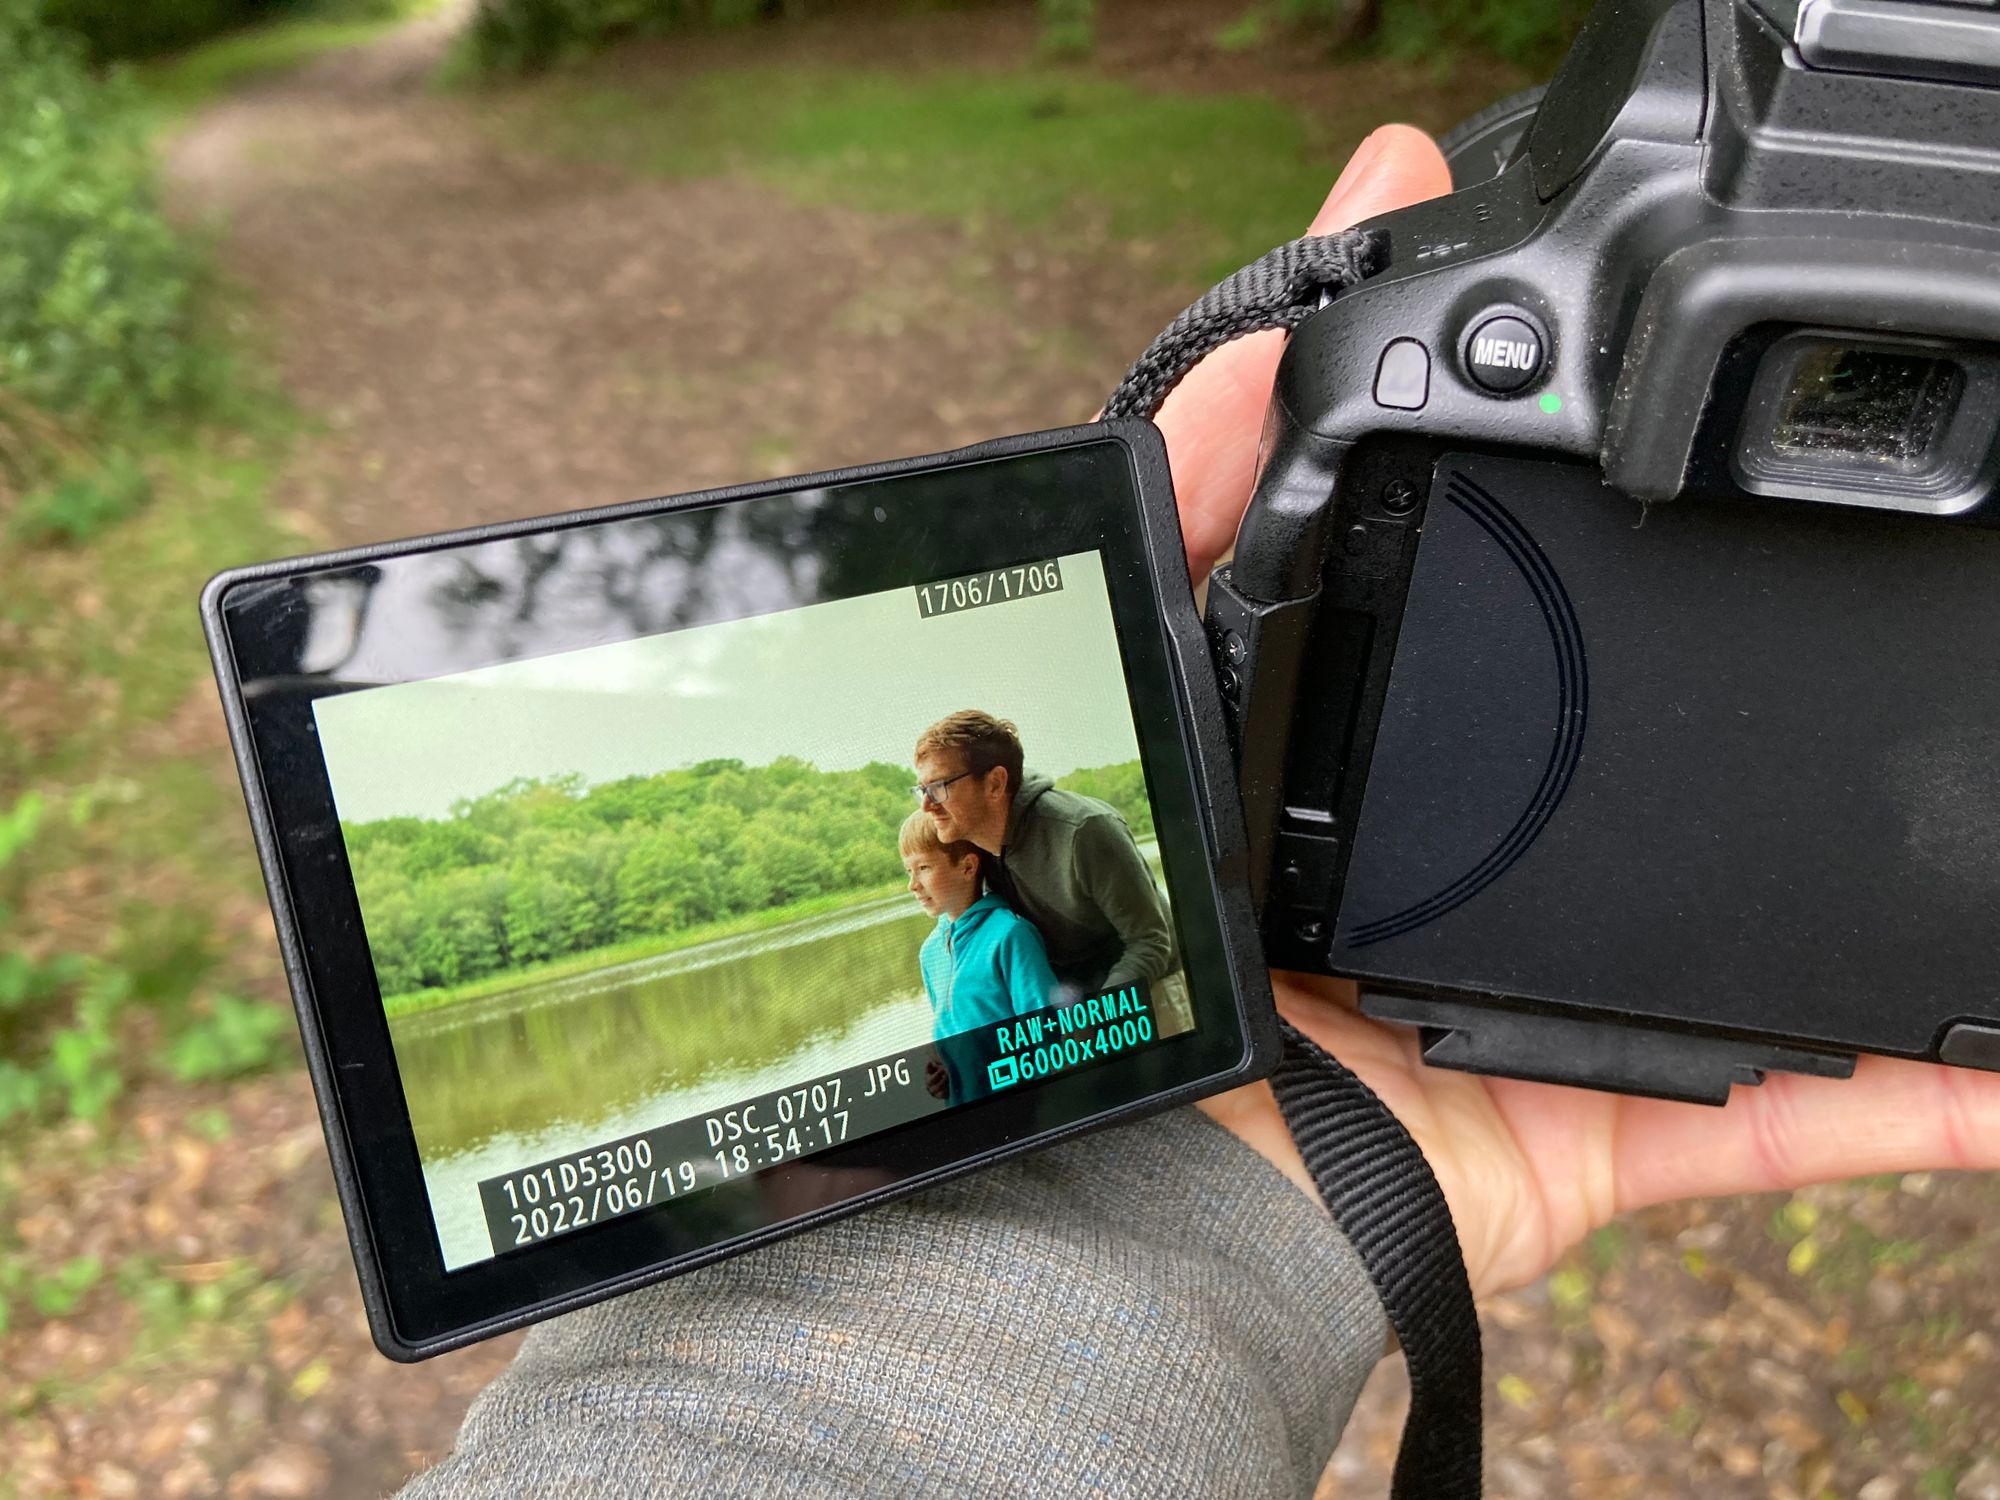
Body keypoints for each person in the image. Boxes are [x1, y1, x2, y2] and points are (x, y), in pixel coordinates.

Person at [399, 126, 2000, 1499]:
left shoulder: (1079, 837)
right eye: (922, 803)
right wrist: (1076, 1135)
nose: (931, 812)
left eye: (941, 788)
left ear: (994, 776)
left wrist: (1095, 1047)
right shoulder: (961, 882)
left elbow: (1154, 948)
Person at [912, 709, 1172, 999]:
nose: (926, 805)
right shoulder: (973, 848)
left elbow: (1152, 941)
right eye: (922, 790)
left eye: (938, 787)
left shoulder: (1084, 831)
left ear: (995, 783)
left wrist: (1100, 1017)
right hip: (1076, 1009)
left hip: (1152, 991)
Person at [899, 808, 1061, 1038]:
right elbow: (946, 1035)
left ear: (968, 867)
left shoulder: (1010, 935)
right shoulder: (930, 952)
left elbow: (1049, 1034)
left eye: (923, 868)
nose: (912, 885)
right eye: (908, 871)